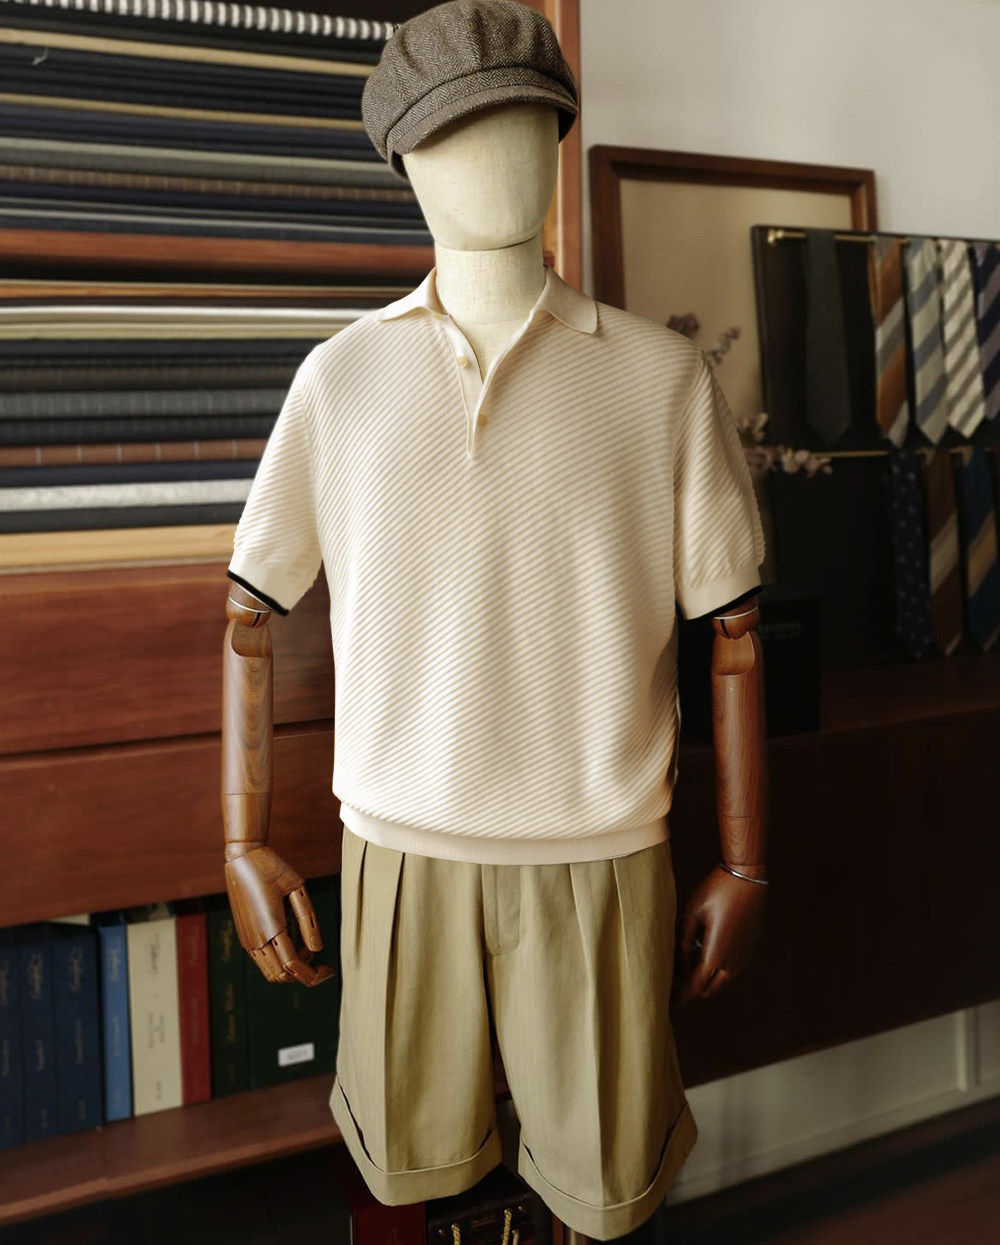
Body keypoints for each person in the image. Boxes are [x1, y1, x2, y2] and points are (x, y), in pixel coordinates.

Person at [221, 3, 769, 1239]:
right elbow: (248, 615)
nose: (504, 158)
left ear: (561, 137)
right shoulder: (340, 379)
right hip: (399, 850)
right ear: (405, 164)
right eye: (462, 133)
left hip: (600, 851)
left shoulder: (658, 378)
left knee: (605, 1195)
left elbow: (734, 630)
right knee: (414, 1179)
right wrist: (241, 842)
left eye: (529, 124)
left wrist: (745, 861)